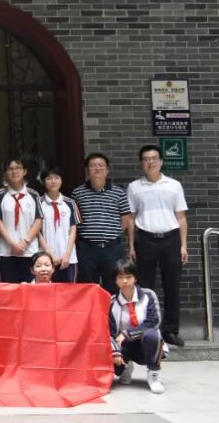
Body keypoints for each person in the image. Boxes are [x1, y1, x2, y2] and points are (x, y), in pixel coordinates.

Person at [127, 145, 189, 348]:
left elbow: (181, 217)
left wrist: (183, 245)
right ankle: (146, 329)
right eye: (146, 159)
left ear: (161, 162)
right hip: (145, 240)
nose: (150, 162)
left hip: (171, 240)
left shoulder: (174, 185)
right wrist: (131, 246)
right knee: (145, 287)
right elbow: (131, 218)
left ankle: (170, 330)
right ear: (141, 163)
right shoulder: (134, 187)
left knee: (172, 286)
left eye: (154, 158)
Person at [71, 153, 132, 295]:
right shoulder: (78, 193)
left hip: (112, 248)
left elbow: (125, 218)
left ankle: (111, 310)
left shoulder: (119, 192)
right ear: (87, 170)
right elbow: (75, 219)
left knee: (114, 285)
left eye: (100, 165)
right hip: (87, 248)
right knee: (87, 287)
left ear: (107, 169)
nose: (97, 168)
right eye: (93, 166)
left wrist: (111, 233)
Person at [110, 258, 166, 394]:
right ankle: (125, 367)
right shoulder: (112, 302)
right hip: (124, 346)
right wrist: (115, 351)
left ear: (135, 278)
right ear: (115, 280)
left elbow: (153, 322)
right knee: (113, 364)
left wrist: (126, 334)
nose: (124, 281)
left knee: (152, 335)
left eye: (128, 277)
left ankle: (153, 375)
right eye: (120, 277)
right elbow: (109, 331)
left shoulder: (148, 295)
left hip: (145, 343)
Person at [0, 157, 43, 284]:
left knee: (29, 288)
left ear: (24, 171)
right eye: (10, 169)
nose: (14, 171)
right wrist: (12, 244)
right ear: (5, 173)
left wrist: (25, 242)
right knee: (9, 289)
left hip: (29, 250)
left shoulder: (34, 194)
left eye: (18, 168)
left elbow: (38, 220)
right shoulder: (0, 194)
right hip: (6, 251)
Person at [38, 167, 80, 283]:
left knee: (69, 291)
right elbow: (37, 232)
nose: (53, 181)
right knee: (47, 291)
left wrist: (67, 254)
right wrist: (50, 254)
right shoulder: (38, 203)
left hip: (68, 258)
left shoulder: (70, 203)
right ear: (43, 181)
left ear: (61, 180)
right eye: (49, 178)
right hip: (46, 260)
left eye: (56, 178)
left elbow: (73, 231)